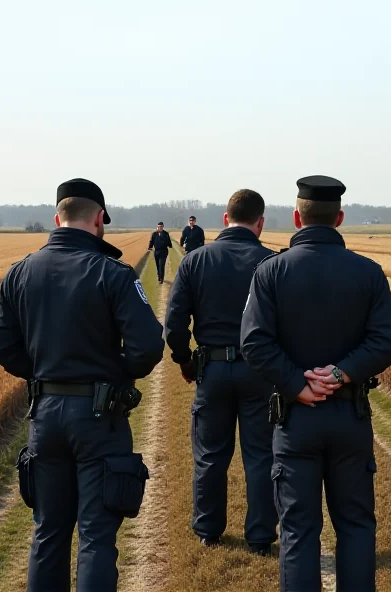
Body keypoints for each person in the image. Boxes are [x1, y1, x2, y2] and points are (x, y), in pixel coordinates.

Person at [0, 178, 165, 592]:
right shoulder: (113, 274)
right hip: (99, 418)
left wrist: (43, 372)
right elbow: (147, 347)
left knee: (48, 533)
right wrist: (114, 375)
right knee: (96, 536)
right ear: (100, 219)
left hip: (45, 416)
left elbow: (1, 346)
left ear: (57, 217)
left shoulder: (20, 272)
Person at [240, 176, 391, 591]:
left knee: (298, 530)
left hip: (296, 420)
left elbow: (254, 343)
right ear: (340, 218)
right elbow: (387, 343)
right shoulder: (368, 272)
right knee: (356, 525)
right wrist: (341, 373)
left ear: (297, 218)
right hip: (350, 415)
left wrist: (297, 384)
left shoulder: (270, 272)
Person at [164, 189, 278, 555]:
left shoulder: (195, 261)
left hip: (211, 368)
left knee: (210, 454)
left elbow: (175, 325)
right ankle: (260, 536)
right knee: (261, 456)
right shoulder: (272, 263)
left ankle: (208, 529)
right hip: (260, 371)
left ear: (225, 219)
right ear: (260, 223)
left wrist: (185, 361)